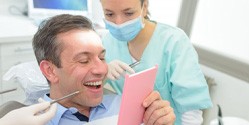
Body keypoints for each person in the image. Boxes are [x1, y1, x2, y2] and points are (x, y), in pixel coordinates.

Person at [32, 14, 175, 125]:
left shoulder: (128, 106)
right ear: (50, 70)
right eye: (84, 60)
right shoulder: (32, 121)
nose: (102, 69)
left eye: (101, 58)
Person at [100, 0, 213, 124]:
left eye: (129, 13)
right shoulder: (108, 43)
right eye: (110, 14)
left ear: (145, 6)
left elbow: (192, 113)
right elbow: (91, 89)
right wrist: (104, 72)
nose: (119, 23)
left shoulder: (174, 42)